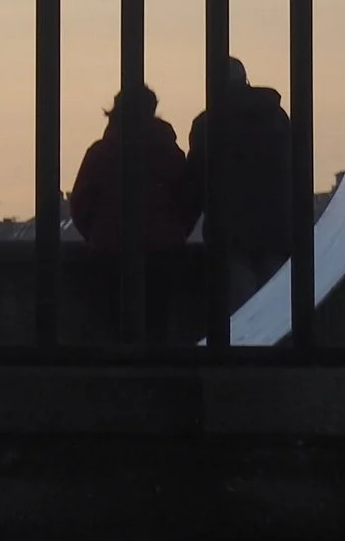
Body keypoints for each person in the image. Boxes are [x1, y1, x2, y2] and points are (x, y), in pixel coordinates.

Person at [69, 86, 198, 341]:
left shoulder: (101, 152)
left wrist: (98, 234)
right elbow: (189, 198)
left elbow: (81, 203)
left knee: (114, 325)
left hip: (110, 249)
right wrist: (175, 232)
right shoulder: (168, 152)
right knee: (158, 324)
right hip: (163, 250)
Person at [187, 57, 297, 306]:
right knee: (278, 311)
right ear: (245, 80)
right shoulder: (277, 117)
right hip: (276, 228)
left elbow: (196, 179)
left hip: (230, 233)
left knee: (242, 314)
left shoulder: (207, 123)